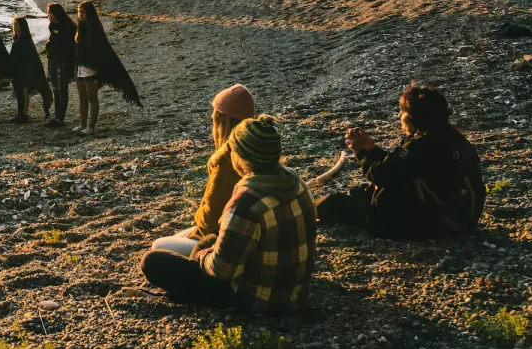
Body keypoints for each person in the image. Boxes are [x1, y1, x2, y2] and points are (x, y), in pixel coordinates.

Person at [139, 115, 317, 315]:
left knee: (152, 261)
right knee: (207, 242)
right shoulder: (296, 182)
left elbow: (221, 270)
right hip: (297, 292)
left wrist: (202, 253)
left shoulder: (248, 201)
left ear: (241, 157)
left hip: (257, 300)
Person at [316, 82, 484, 240]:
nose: (399, 116)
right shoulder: (451, 138)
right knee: (359, 192)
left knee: (334, 202)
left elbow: (380, 175)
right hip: (450, 220)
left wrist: (360, 151)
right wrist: (372, 149)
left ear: (412, 117)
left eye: (402, 112)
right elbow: (401, 167)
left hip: (417, 226)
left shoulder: (420, 144)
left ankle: (299, 212)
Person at [151, 84, 257, 256]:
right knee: (176, 236)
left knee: (158, 246)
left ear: (222, 123)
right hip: (239, 228)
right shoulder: (257, 150)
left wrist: (199, 212)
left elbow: (209, 224)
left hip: (222, 239)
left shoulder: (226, 164)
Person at [74, 0, 141, 135]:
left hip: (90, 67)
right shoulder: (81, 28)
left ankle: (91, 127)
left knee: (91, 97)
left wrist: (95, 66)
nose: (80, 15)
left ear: (89, 13)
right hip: (80, 66)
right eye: (79, 12)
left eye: (83, 12)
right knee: (81, 97)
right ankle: (82, 124)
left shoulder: (94, 28)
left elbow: (100, 50)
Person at [9, 16, 51, 124]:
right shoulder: (17, 38)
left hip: (24, 70)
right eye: (13, 24)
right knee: (22, 92)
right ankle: (23, 113)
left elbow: (28, 58)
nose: (14, 27)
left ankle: (23, 114)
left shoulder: (24, 40)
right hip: (19, 70)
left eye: (16, 25)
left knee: (24, 92)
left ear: (22, 26)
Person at [44, 3, 76, 127]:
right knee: (55, 88)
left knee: (62, 88)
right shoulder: (52, 25)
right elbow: (52, 40)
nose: (48, 15)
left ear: (56, 13)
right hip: (52, 59)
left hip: (63, 61)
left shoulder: (68, 26)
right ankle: (57, 116)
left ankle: (60, 118)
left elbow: (71, 46)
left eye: (50, 13)